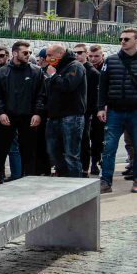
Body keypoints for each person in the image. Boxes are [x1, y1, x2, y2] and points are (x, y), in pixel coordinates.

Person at [0, 41, 43, 183]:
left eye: (30, 53)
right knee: (1, 148)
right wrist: (1, 113)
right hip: (7, 116)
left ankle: (29, 177)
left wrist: (37, 113)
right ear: (15, 53)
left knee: (29, 149)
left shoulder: (36, 71)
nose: (28, 55)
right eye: (25, 52)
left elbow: (41, 95)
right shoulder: (3, 72)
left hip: (28, 116)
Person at [97, 27, 137, 193]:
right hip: (115, 112)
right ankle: (105, 181)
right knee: (109, 147)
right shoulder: (111, 60)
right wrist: (101, 107)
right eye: (121, 39)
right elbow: (103, 86)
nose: (123, 42)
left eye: (126, 39)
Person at [41, 44, 87, 178]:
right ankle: (62, 180)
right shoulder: (55, 69)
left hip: (71, 116)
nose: (48, 58)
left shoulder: (75, 66)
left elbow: (67, 86)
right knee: (54, 151)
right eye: (47, 56)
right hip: (54, 115)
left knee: (71, 154)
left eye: (50, 56)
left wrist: (53, 75)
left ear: (61, 54)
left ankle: (75, 185)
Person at [76, 43, 101, 177]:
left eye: (80, 52)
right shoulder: (74, 68)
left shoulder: (92, 72)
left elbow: (93, 96)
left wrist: (92, 112)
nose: (77, 55)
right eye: (75, 52)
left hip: (87, 112)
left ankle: (88, 167)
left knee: (88, 140)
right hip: (76, 111)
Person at [85, 45, 106, 177]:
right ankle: (92, 163)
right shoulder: (84, 68)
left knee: (99, 138)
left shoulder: (106, 68)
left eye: (96, 56)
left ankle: (96, 161)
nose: (93, 59)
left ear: (102, 56)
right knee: (87, 138)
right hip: (87, 108)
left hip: (100, 108)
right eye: (91, 56)